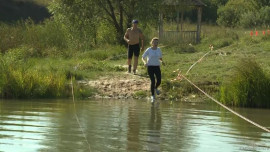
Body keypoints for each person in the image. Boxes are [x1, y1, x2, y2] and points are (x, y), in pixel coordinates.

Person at [142, 37, 164, 103]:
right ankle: (152, 96)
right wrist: (145, 62)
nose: (155, 43)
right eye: (154, 42)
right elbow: (143, 57)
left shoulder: (159, 49)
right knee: (153, 80)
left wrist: (162, 61)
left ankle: (155, 88)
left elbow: (160, 58)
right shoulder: (149, 49)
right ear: (152, 42)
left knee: (159, 80)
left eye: (157, 42)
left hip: (157, 66)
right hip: (150, 66)